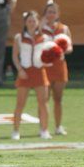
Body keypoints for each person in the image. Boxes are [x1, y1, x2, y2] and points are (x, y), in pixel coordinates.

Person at [11, 10, 52, 140]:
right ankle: (16, 131)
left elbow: (49, 54)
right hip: (25, 72)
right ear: (25, 22)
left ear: (38, 22)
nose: (32, 23)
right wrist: (19, 70)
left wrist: (48, 61)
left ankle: (44, 130)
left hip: (40, 72)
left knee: (43, 103)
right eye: (29, 21)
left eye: (34, 21)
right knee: (20, 103)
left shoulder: (44, 38)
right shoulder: (19, 37)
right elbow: (15, 56)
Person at [41, 0, 73, 136]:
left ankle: (58, 126)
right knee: (44, 99)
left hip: (59, 66)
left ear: (58, 14)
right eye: (49, 12)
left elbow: (70, 47)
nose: (51, 14)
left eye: (53, 12)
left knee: (58, 98)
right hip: (45, 66)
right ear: (44, 14)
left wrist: (63, 49)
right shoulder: (40, 28)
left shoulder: (64, 28)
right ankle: (43, 127)